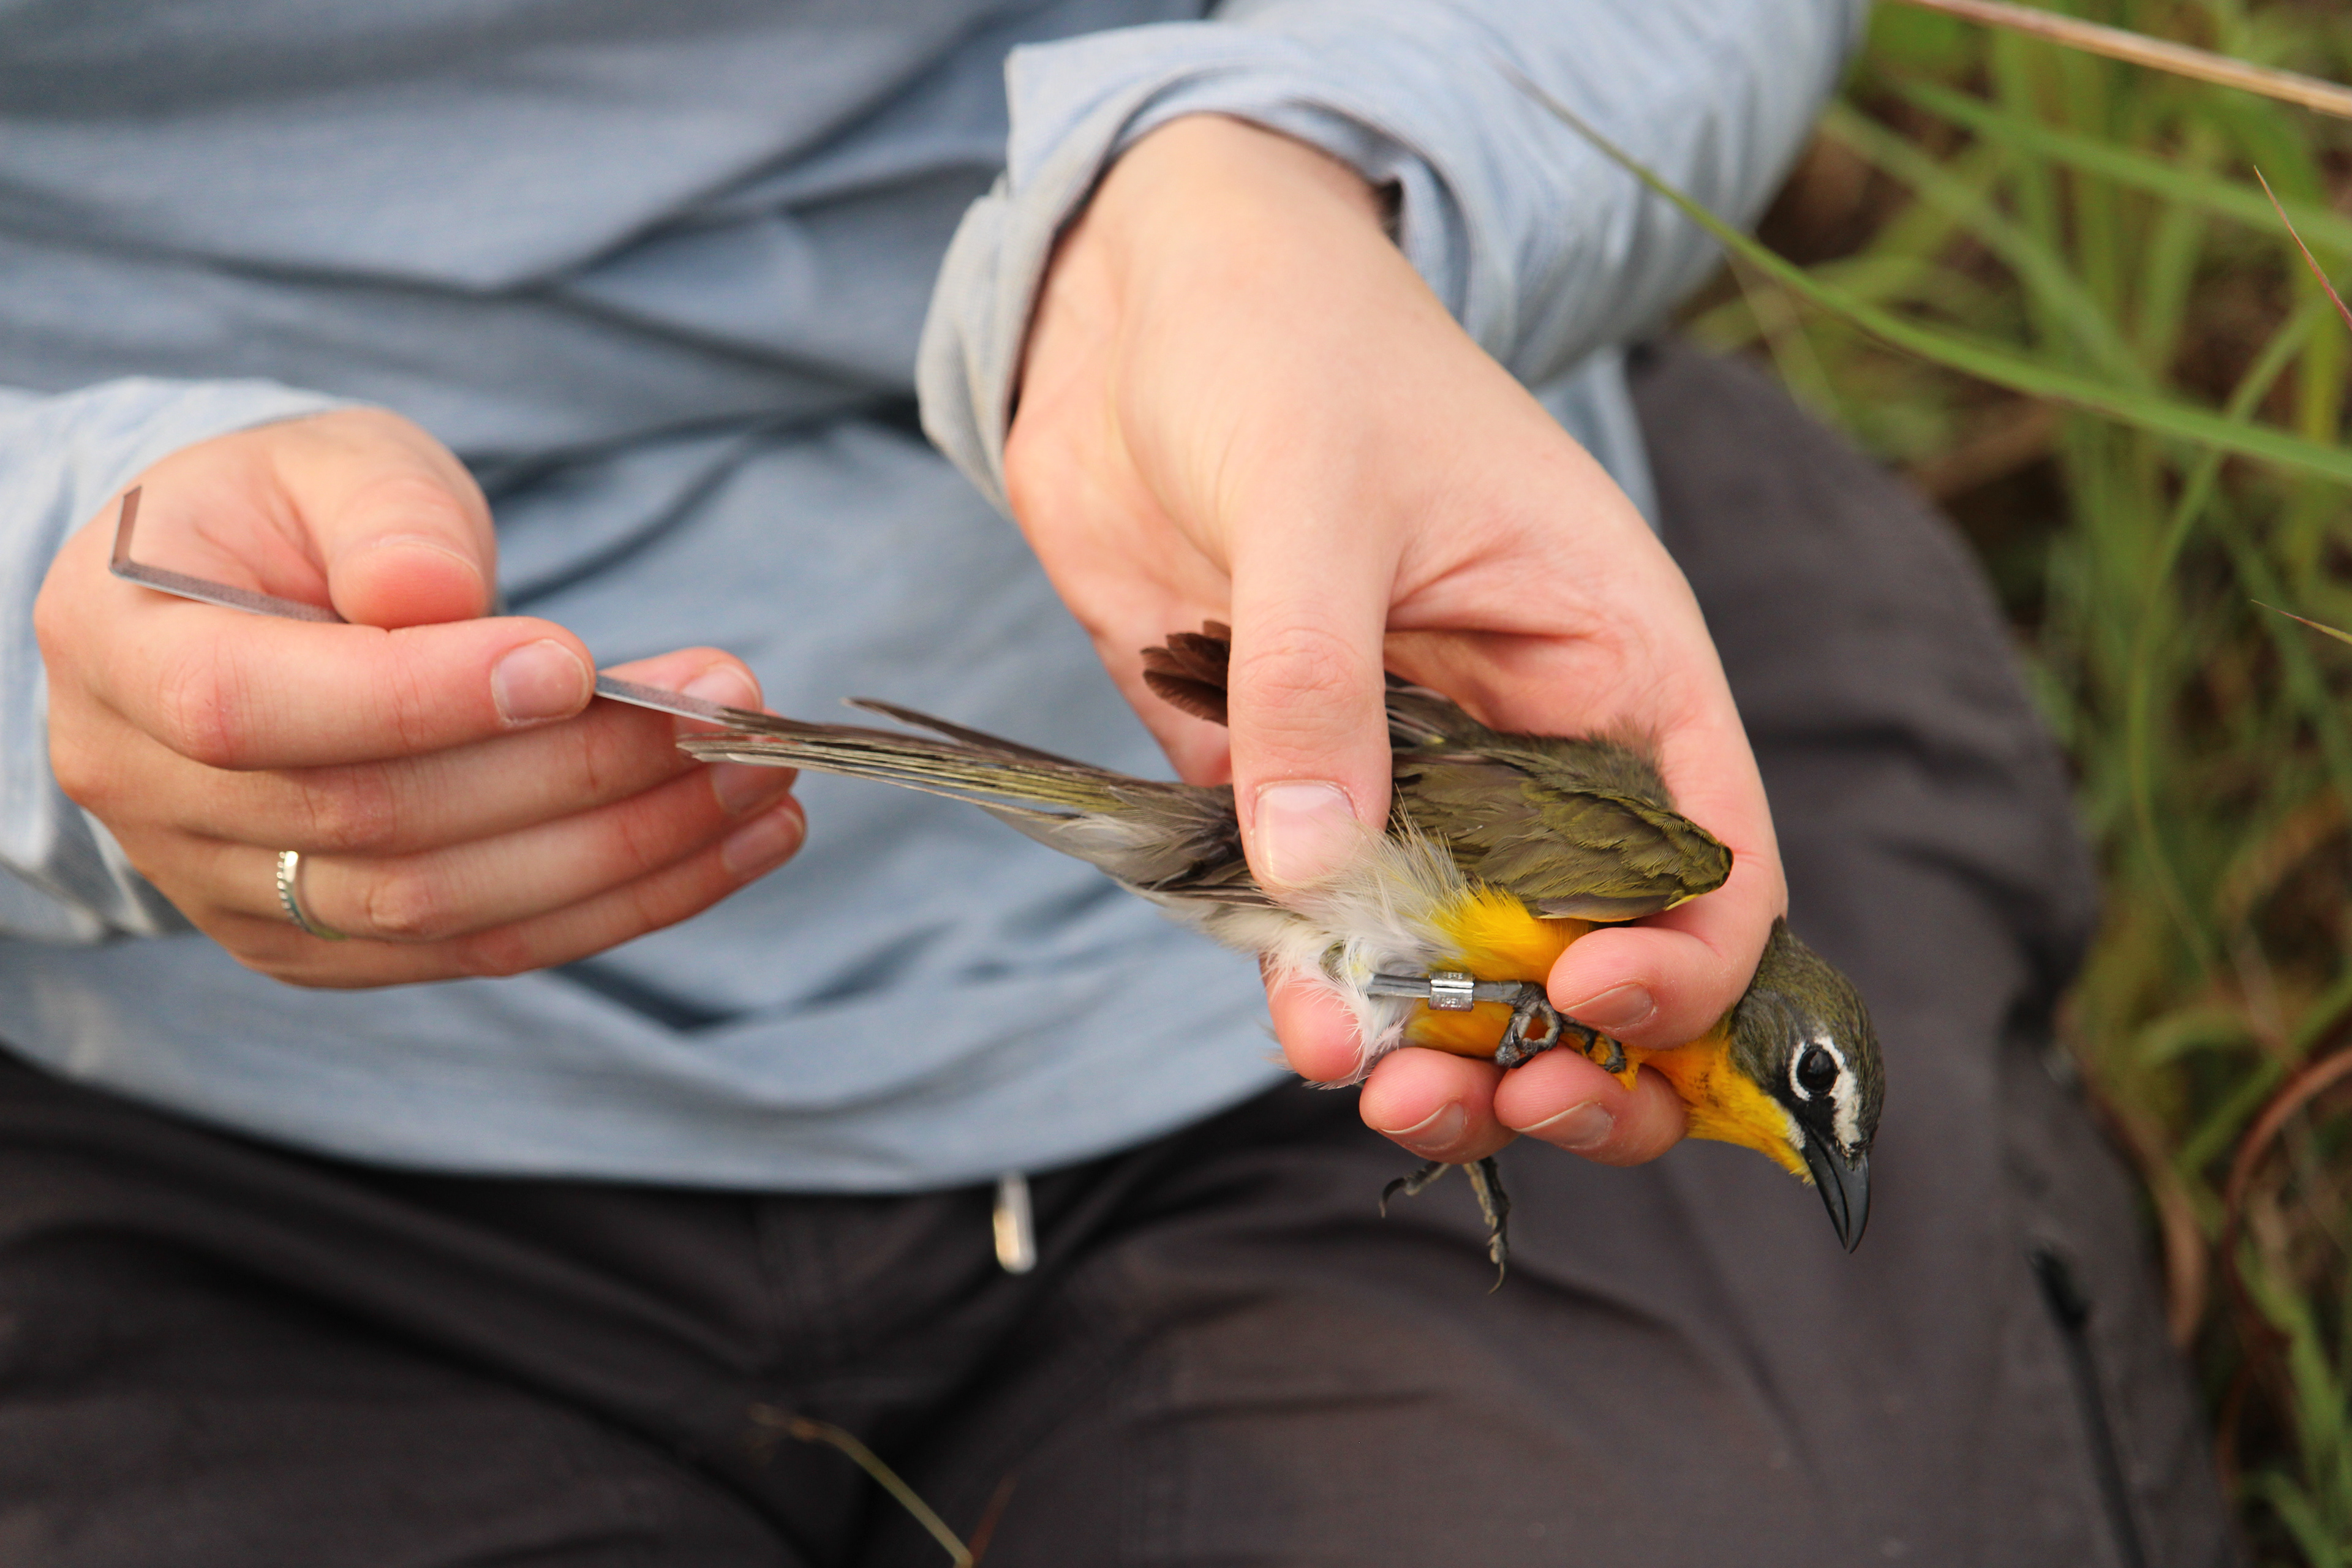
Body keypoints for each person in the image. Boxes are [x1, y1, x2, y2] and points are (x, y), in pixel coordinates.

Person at [0, 2, 2233, 1564]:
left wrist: (1303, 176)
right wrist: (42, 662)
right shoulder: (1637, 896)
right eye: (1810, 1111)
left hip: (1338, 500)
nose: (1798, 1133)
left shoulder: (1660, 926)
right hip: (188, 1114)